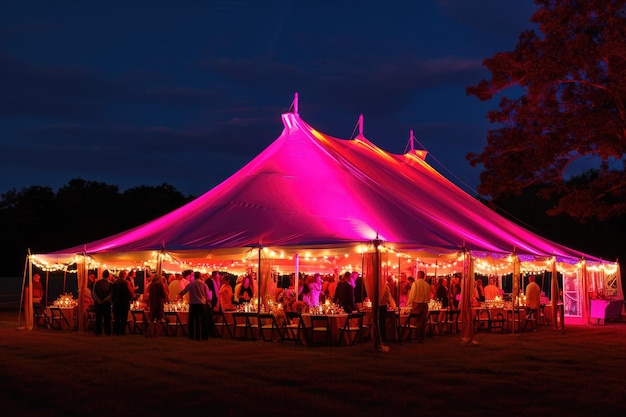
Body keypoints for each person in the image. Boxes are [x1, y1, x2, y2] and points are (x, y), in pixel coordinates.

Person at [178, 269, 211, 341]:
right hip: (202, 304)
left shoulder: (191, 284)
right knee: (203, 321)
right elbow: (208, 296)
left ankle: (192, 336)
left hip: (193, 304)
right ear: (200, 276)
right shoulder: (204, 284)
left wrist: (179, 297)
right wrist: (208, 300)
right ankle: (204, 337)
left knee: (192, 321)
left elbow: (182, 292)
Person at [406, 270, 431, 343]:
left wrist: (408, 303)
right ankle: (422, 338)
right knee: (422, 322)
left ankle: (416, 337)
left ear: (418, 275)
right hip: (425, 304)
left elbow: (412, 295)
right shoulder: (427, 285)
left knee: (416, 321)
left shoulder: (415, 283)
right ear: (423, 276)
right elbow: (428, 296)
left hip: (417, 304)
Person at [111, 270, 135, 335]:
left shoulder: (114, 283)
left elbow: (112, 293)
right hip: (124, 302)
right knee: (123, 318)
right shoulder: (127, 282)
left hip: (116, 303)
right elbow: (131, 292)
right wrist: (132, 296)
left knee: (116, 318)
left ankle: (116, 331)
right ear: (124, 275)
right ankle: (122, 332)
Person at [92, 271, 113, 335]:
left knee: (98, 318)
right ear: (108, 275)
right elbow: (111, 294)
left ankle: (98, 331)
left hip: (98, 303)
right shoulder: (110, 284)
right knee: (107, 318)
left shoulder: (97, 283)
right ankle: (107, 332)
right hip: (106, 303)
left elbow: (93, 293)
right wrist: (105, 300)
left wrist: (98, 300)